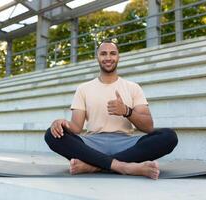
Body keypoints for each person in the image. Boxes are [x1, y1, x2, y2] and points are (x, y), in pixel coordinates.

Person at [45, 40, 178, 180]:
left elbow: (149, 127)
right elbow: (76, 128)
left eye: (112, 53)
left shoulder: (133, 87)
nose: (108, 58)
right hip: (92, 144)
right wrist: (60, 123)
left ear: (118, 57)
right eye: (103, 54)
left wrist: (127, 111)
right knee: (51, 135)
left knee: (168, 136)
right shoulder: (83, 88)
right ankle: (125, 167)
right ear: (97, 57)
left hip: (126, 143)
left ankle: (93, 166)